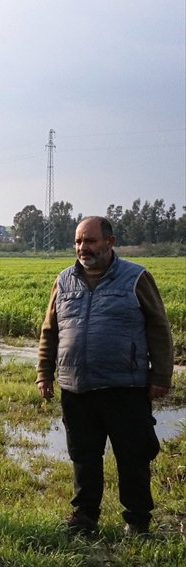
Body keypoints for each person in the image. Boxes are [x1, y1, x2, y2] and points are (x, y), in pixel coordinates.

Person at [36, 216, 173, 537]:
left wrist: (161, 376)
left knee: (133, 454)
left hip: (124, 386)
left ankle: (138, 521)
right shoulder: (64, 280)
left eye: (90, 241)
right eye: (78, 241)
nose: (83, 247)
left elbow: (158, 327)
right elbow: (50, 331)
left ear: (110, 242)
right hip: (76, 386)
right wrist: (44, 373)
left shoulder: (135, 277)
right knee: (83, 455)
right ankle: (85, 517)